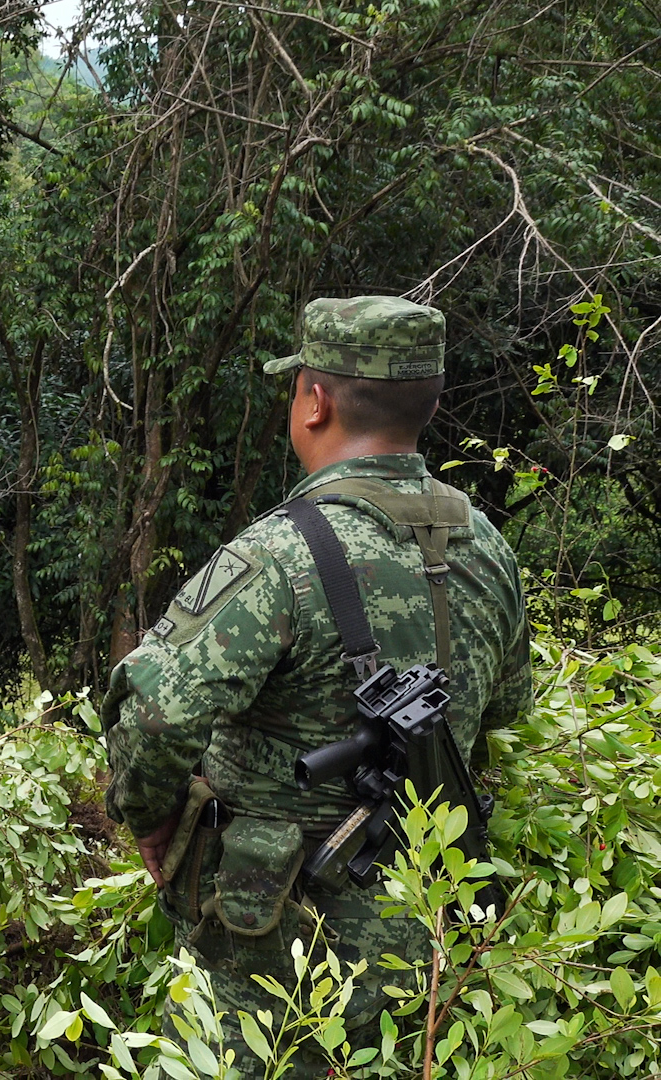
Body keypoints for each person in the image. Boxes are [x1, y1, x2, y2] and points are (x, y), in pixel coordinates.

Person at [100, 296, 532, 1076]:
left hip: (277, 956)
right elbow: (500, 717)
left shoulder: (276, 554)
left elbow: (155, 720)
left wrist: (150, 821)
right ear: (428, 403)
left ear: (314, 400)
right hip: (431, 943)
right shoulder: (492, 551)